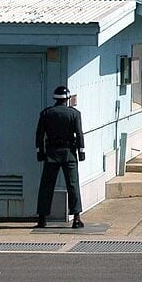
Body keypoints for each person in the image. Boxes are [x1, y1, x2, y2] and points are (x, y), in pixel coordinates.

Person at [35, 86, 86, 229]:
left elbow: (39, 135)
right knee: (73, 184)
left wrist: (40, 152)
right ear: (67, 99)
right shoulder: (74, 114)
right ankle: (76, 218)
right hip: (69, 153)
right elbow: (79, 134)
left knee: (47, 185)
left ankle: (42, 218)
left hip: (51, 153)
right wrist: (81, 152)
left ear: (55, 99)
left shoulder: (46, 113)